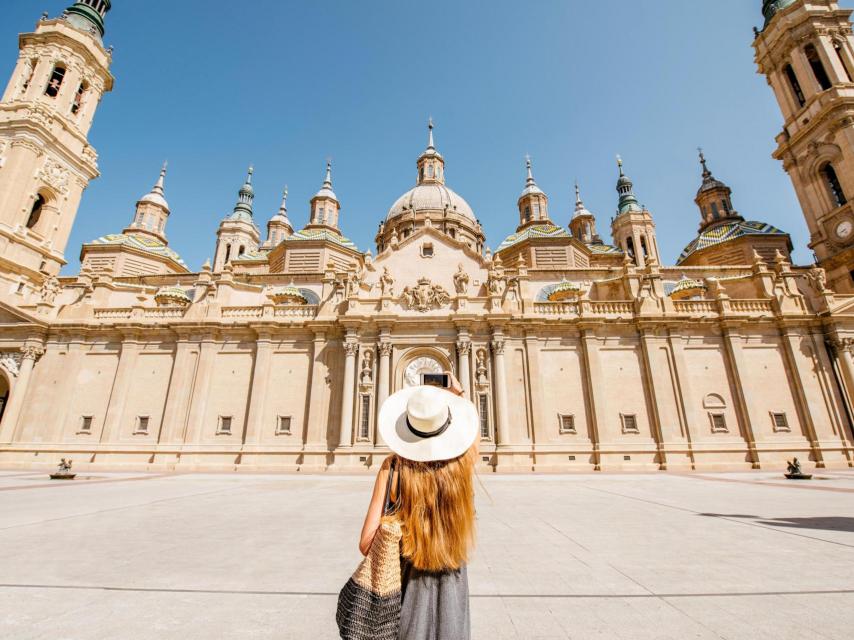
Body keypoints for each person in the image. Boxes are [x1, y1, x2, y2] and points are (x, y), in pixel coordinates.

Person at [359, 373, 478, 640]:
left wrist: (402, 524)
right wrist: (459, 396)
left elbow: (366, 543)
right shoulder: (462, 468)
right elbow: (473, 439)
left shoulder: (392, 470)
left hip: (405, 588)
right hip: (453, 588)